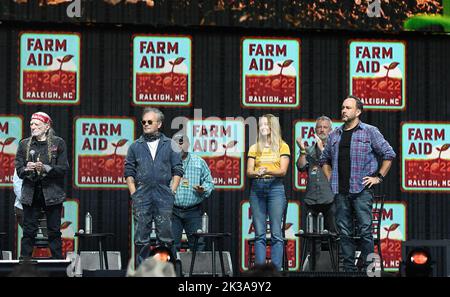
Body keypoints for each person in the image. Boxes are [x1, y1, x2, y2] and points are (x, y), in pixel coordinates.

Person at [320, 96, 396, 272]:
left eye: (348, 107)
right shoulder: (334, 135)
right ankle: (349, 271)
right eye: (343, 107)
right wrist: (331, 177)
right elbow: (324, 159)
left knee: (365, 233)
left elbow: (388, 154)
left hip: (362, 190)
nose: (344, 110)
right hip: (341, 191)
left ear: (358, 112)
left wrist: (379, 177)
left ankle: (370, 271)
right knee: (344, 234)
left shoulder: (370, 131)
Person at [124, 107, 184, 265]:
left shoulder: (171, 145)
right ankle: (143, 271)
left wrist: (172, 191)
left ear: (159, 124)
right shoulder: (135, 146)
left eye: (150, 121)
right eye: (143, 122)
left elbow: (178, 169)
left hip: (164, 196)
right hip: (141, 197)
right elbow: (128, 172)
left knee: (165, 236)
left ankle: (164, 270)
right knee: (141, 237)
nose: (146, 124)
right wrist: (134, 193)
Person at [14, 112, 69, 260]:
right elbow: (19, 170)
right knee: (28, 232)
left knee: (54, 232)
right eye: (31, 124)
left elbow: (63, 169)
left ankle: (58, 265)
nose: (33, 127)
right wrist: (27, 168)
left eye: (36, 124)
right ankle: (24, 265)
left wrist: (45, 168)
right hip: (30, 194)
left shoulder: (58, 143)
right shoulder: (24, 144)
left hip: (52, 194)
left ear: (47, 126)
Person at [246, 114, 290, 271]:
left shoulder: (282, 146)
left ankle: (275, 272)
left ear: (273, 127)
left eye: (266, 124)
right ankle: (259, 272)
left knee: (277, 234)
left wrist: (267, 170)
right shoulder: (254, 147)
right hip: (257, 189)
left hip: (275, 189)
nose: (263, 127)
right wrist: (258, 172)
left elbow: (283, 170)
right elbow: (249, 171)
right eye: (261, 124)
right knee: (259, 234)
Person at [296, 116, 336, 269]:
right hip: (312, 199)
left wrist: (322, 149)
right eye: (319, 127)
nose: (322, 130)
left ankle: (337, 271)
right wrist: (302, 150)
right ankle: (311, 271)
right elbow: (300, 167)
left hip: (330, 198)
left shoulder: (334, 148)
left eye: (325, 127)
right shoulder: (310, 149)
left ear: (331, 131)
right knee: (312, 240)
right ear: (315, 130)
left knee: (334, 237)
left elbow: (332, 169)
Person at [171, 133, 214, 252]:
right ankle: (173, 270)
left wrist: (203, 189)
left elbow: (209, 182)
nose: (179, 146)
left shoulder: (198, 162)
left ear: (188, 144)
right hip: (172, 211)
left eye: (181, 142)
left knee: (198, 244)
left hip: (193, 211)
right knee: (171, 244)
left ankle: (196, 271)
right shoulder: (167, 162)